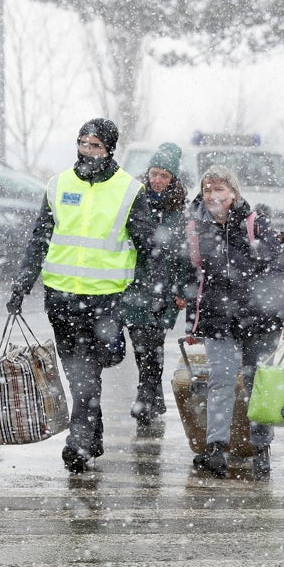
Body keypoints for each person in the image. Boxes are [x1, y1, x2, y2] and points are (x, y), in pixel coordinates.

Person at [7, 118, 155, 473]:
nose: (87, 152)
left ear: (109, 150)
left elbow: (150, 248)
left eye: (96, 146)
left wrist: (140, 294)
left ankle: (85, 431)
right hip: (61, 297)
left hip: (106, 300)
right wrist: (22, 284)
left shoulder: (128, 190)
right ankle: (84, 436)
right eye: (83, 144)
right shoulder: (58, 185)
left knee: (93, 367)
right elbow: (40, 239)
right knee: (78, 372)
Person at [184, 165, 284, 479]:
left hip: (258, 318)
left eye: (219, 189)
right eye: (207, 189)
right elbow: (194, 278)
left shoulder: (253, 223)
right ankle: (216, 449)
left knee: (257, 385)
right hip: (218, 318)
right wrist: (192, 323)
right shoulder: (196, 226)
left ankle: (261, 448)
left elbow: (278, 272)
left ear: (233, 193)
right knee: (220, 381)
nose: (212, 196)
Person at [120, 143, 189, 427]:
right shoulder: (135, 199)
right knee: (140, 342)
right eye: (154, 173)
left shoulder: (179, 210)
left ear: (173, 179)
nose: (157, 180)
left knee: (155, 342)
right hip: (136, 283)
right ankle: (151, 393)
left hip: (165, 284)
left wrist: (183, 288)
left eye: (164, 175)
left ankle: (145, 395)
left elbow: (185, 252)